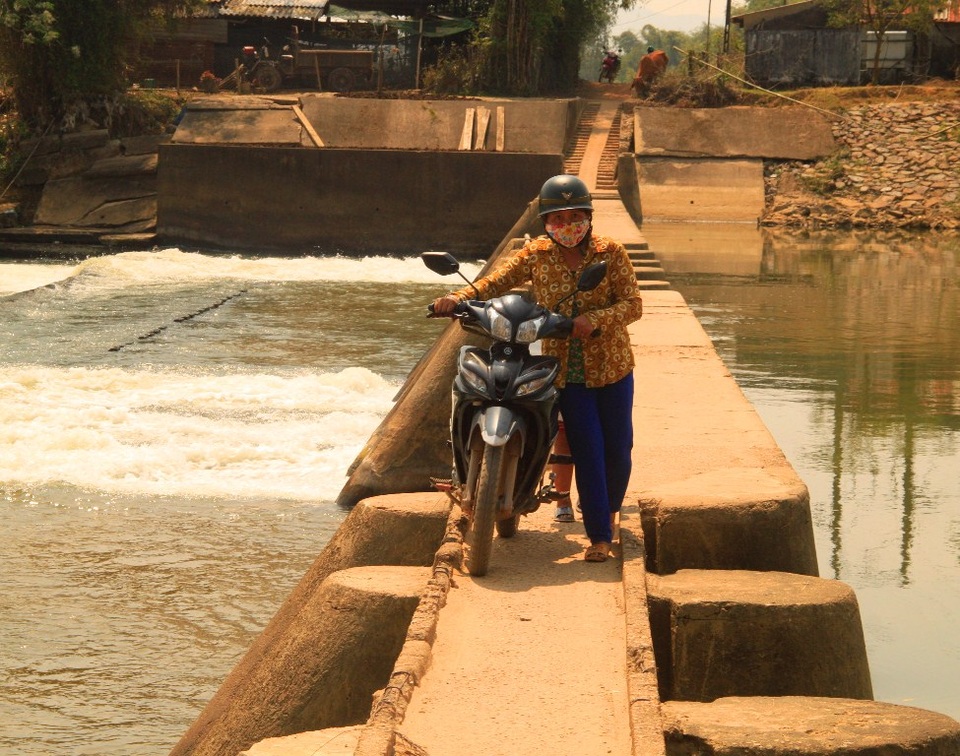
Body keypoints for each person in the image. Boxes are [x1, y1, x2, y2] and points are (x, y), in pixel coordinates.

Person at [432, 174, 643, 563]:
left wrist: (595, 319)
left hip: (612, 366)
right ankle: (599, 535)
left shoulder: (610, 252)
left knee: (618, 449)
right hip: (565, 371)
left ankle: (609, 511)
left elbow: (633, 303)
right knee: (587, 448)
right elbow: (496, 281)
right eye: (558, 218)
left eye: (575, 216)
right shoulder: (537, 254)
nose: (567, 225)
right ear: (546, 222)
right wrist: (457, 298)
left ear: (588, 217)